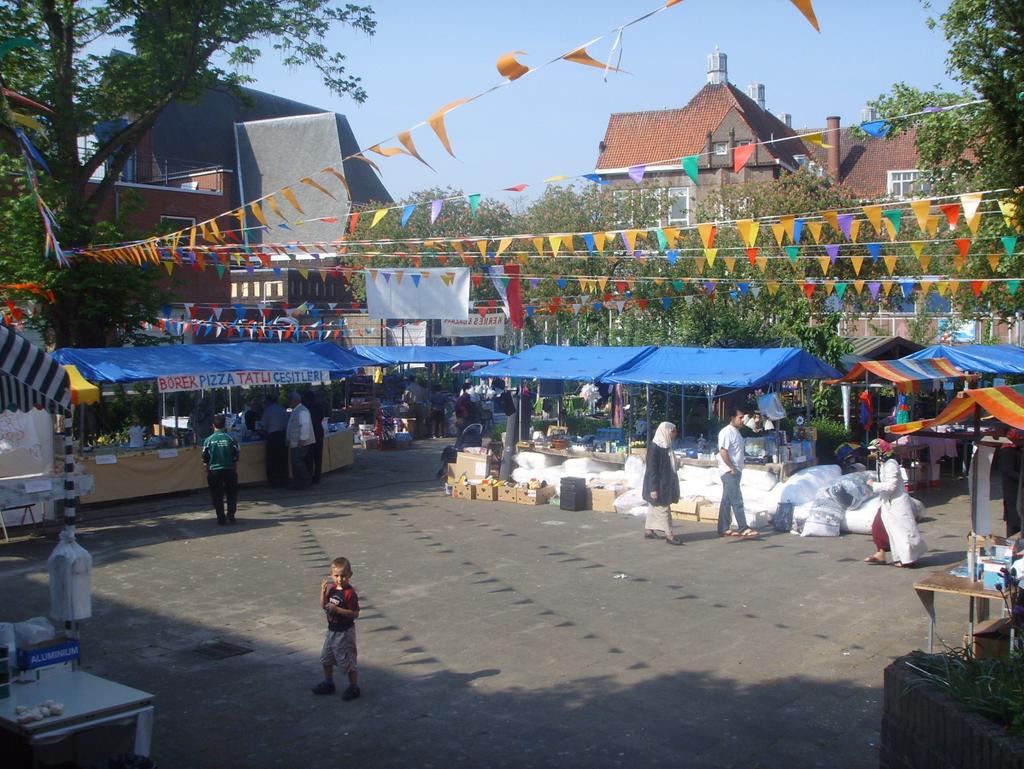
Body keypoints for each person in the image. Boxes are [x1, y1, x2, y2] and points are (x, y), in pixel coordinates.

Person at [864, 439, 927, 567]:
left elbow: (891, 486)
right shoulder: (883, 464)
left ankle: (909, 559)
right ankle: (881, 553)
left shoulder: (891, 464)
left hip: (897, 503)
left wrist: (873, 484)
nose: (872, 454)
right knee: (879, 526)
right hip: (887, 502)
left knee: (903, 531)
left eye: (874, 451)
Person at [312, 556, 361, 700]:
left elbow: (355, 613)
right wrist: (322, 592)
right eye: (337, 576)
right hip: (331, 631)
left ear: (350, 575)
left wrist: (338, 610)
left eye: (343, 576)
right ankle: (329, 683)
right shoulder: (332, 589)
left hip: (345, 633)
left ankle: (354, 687)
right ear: (332, 575)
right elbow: (324, 605)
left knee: (348, 661)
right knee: (326, 658)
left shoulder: (349, 593)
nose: (340, 579)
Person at [718, 406, 758, 538]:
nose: (742, 420)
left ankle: (723, 527)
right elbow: (723, 451)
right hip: (729, 471)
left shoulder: (737, 432)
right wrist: (732, 467)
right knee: (737, 500)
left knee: (726, 500)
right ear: (732, 418)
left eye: (743, 418)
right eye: (740, 418)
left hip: (735, 470)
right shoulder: (726, 432)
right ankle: (743, 527)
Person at [642, 422, 683, 545]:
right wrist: (653, 489)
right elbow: (652, 470)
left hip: (664, 483)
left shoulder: (666, 446)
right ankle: (669, 535)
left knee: (653, 507)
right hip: (658, 485)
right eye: (673, 432)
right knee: (664, 509)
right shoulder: (655, 448)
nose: (674, 434)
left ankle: (648, 530)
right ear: (666, 432)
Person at [202, 413, 240, 525]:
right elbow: (236, 457)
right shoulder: (231, 439)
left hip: (214, 471)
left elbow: (205, 459)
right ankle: (231, 515)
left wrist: (208, 472)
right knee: (232, 494)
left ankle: (221, 518)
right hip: (230, 470)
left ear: (213, 425)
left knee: (217, 495)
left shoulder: (208, 440)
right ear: (224, 425)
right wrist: (234, 470)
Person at [286, 391, 314, 490]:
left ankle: (305, 480)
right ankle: (298, 482)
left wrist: (302, 439)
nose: (288, 402)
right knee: (295, 463)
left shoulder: (302, 411)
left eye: (290, 400)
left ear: (295, 401)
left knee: (297, 462)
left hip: (300, 442)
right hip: (295, 441)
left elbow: (305, 425)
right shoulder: (296, 410)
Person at [261, 393, 288, 487]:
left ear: (268, 401)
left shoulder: (268, 410)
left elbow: (263, 425)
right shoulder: (282, 408)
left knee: (271, 460)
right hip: (283, 435)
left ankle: (273, 481)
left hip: (273, 436)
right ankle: (284, 480)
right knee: (283, 459)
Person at [303, 390, 326, 484]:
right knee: (318, 457)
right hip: (319, 432)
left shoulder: (306, 408)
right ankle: (317, 477)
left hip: (310, 433)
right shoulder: (319, 406)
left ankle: (309, 476)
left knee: (309, 457)